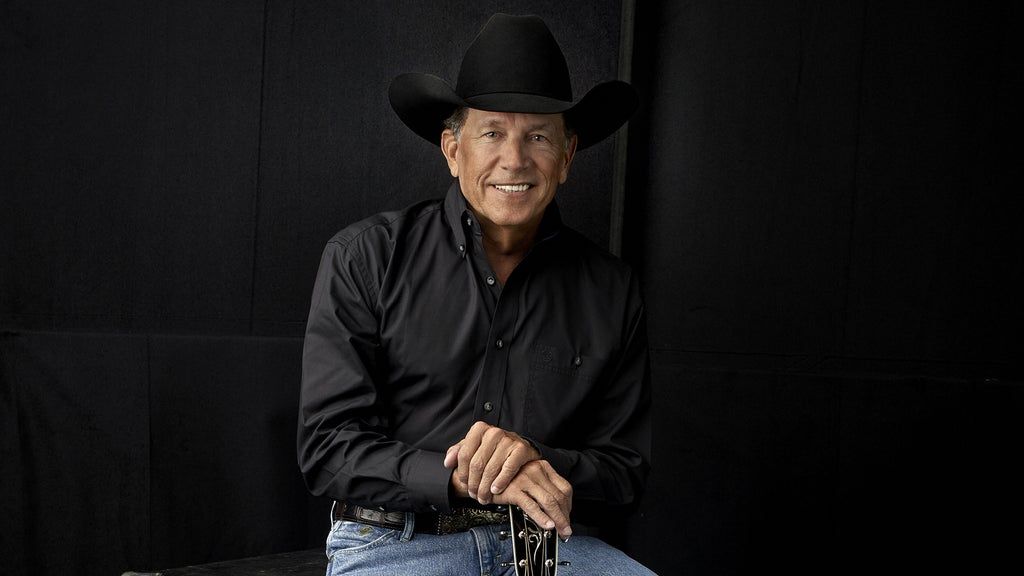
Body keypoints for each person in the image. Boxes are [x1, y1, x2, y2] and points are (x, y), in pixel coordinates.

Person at [298, 13, 654, 576]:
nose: (515, 160)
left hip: (546, 547)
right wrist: (460, 478)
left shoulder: (612, 289)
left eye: (538, 136)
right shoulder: (365, 259)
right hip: (395, 543)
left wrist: (537, 459)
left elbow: (625, 472)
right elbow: (327, 448)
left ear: (566, 157)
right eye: (492, 133)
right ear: (452, 149)